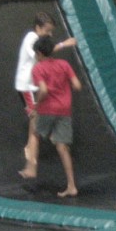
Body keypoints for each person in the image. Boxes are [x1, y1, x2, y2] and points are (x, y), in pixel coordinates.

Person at [15, 11, 76, 178]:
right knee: (35, 122)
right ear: (37, 28)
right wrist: (64, 44)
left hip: (31, 87)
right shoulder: (31, 38)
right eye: (47, 31)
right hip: (27, 86)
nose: (49, 35)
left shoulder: (36, 38)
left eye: (51, 32)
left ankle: (31, 156)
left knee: (34, 123)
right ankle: (31, 164)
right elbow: (40, 53)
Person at [26, 35, 82, 198]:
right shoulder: (64, 64)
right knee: (62, 147)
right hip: (64, 110)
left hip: (47, 109)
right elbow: (77, 85)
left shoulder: (38, 68)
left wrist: (37, 105)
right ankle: (71, 185)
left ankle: (31, 167)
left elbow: (42, 89)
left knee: (34, 133)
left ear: (39, 53)